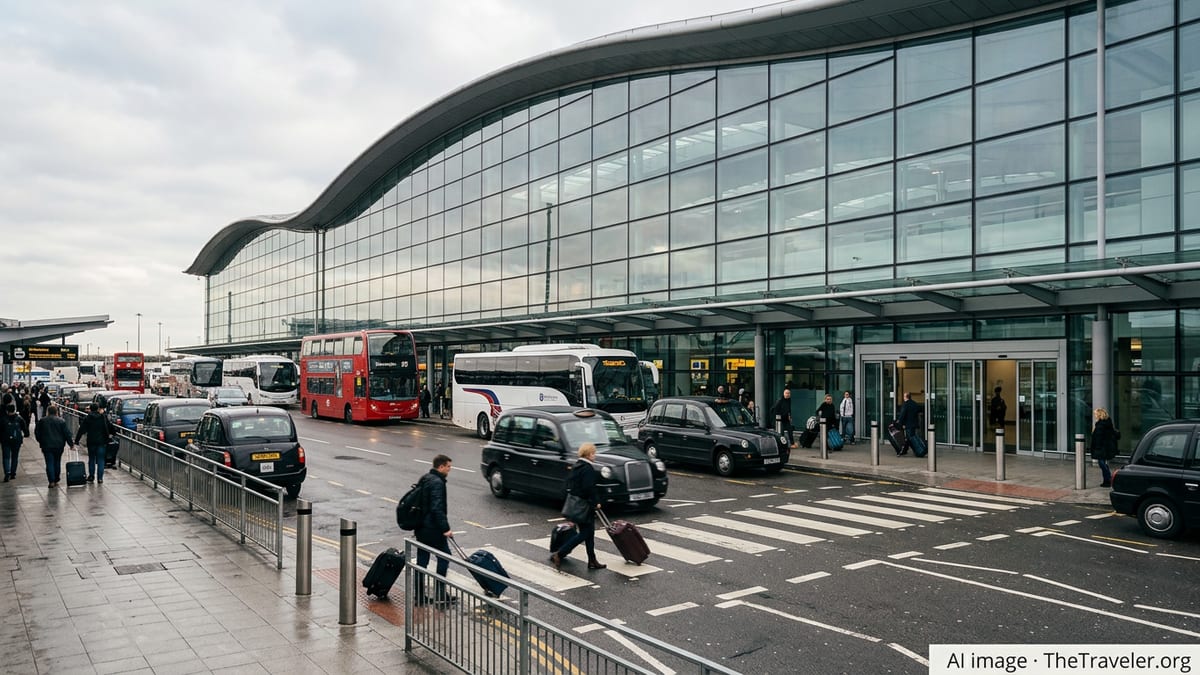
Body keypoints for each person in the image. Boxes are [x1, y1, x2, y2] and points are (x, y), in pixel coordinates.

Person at [551, 443, 606, 571]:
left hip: (577, 505)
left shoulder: (577, 466)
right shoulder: (587, 468)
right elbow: (588, 488)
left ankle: (592, 560)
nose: (595, 455)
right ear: (588, 454)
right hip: (584, 506)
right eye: (593, 453)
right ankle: (560, 554)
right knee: (585, 533)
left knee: (589, 533)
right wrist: (596, 502)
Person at [414, 454, 456, 606]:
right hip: (433, 529)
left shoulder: (425, 478)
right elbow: (437, 508)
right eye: (448, 467)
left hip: (421, 528)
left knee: (421, 562)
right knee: (445, 556)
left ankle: (419, 595)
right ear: (441, 467)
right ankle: (440, 592)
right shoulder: (438, 482)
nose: (449, 470)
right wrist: (446, 529)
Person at [73, 403, 115, 484]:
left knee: (92, 459)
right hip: (102, 442)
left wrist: (76, 440)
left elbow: (81, 429)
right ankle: (100, 478)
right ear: (98, 409)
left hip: (91, 441)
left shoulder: (88, 418)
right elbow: (110, 426)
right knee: (101, 460)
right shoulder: (103, 417)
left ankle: (91, 476)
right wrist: (113, 434)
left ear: (90, 409)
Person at [35, 404, 72, 489]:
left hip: (46, 445)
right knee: (57, 461)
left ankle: (51, 480)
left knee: (49, 463)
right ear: (56, 412)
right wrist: (71, 444)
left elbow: (37, 433)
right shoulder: (61, 421)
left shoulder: (42, 421)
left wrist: (41, 441)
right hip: (59, 445)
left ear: (47, 412)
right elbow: (66, 433)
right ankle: (56, 479)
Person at [1090, 408, 1120, 488]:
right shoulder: (1107, 423)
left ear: (1099, 414)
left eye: (1096, 414)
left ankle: (1109, 479)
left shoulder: (1100, 425)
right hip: (1106, 447)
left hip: (1101, 448)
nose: (1095, 415)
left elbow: (1098, 438)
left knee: (1102, 464)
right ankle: (1106, 480)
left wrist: (1096, 447)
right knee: (1102, 463)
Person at [2, 403, 29, 482]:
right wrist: (26, 434)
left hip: (5, 440)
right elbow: (25, 428)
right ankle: (13, 473)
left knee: (6, 457)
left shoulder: (3, 419)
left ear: (7, 411)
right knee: (15, 456)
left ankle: (7, 472)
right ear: (14, 410)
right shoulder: (19, 418)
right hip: (16, 440)